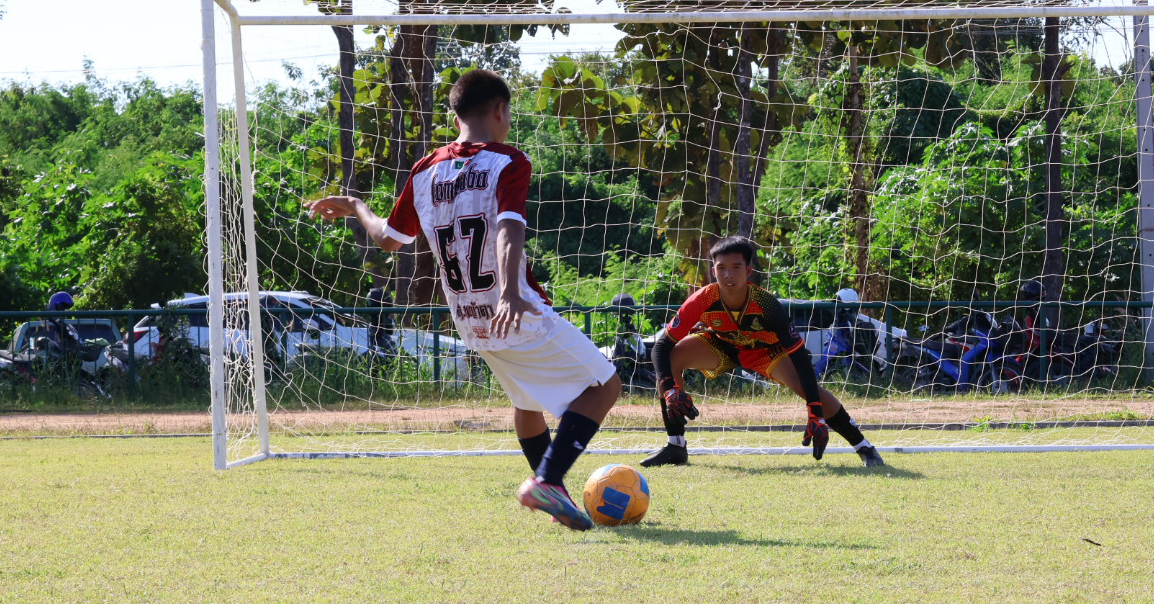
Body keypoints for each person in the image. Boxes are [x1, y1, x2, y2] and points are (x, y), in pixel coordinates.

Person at [310, 68, 619, 530]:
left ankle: (553, 494)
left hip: (470, 320)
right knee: (606, 384)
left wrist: (356, 206)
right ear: (500, 111)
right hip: (513, 309)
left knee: (526, 403)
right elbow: (509, 226)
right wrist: (510, 291)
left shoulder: (425, 171)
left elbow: (389, 239)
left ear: (456, 118)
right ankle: (548, 480)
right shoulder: (507, 161)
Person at [641, 235, 884, 468]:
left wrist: (815, 412)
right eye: (721, 267)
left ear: (748, 270)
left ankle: (864, 447)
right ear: (713, 271)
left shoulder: (767, 304)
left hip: (765, 352)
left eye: (736, 267)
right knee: (672, 358)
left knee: (807, 388)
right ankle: (676, 445)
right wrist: (670, 389)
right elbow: (661, 347)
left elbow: (800, 357)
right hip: (721, 345)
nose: (728, 274)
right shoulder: (701, 300)